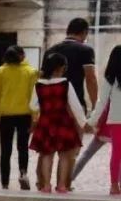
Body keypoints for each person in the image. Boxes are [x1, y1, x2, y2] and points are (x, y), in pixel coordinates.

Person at [30, 52, 87, 193]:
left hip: (45, 122)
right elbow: (76, 106)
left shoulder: (38, 85)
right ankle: (62, 185)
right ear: (61, 67)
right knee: (64, 155)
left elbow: (33, 106)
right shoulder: (65, 84)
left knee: (46, 155)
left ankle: (46, 185)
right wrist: (84, 123)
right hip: (63, 122)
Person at [0, 45, 37, 190]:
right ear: (22, 56)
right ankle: (23, 173)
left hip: (6, 116)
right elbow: (34, 97)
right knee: (23, 147)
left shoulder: (0, 72)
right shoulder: (30, 72)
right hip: (24, 115)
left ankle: (5, 182)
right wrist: (35, 118)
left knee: (5, 150)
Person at [46, 17, 98, 114]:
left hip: (52, 104)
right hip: (76, 104)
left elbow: (43, 77)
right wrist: (95, 104)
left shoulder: (50, 51)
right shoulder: (85, 50)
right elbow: (90, 79)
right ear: (84, 32)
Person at [88, 45, 121, 194]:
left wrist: (91, 121)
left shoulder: (110, 79)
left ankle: (114, 186)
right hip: (115, 119)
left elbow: (101, 102)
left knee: (116, 153)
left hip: (116, 119)